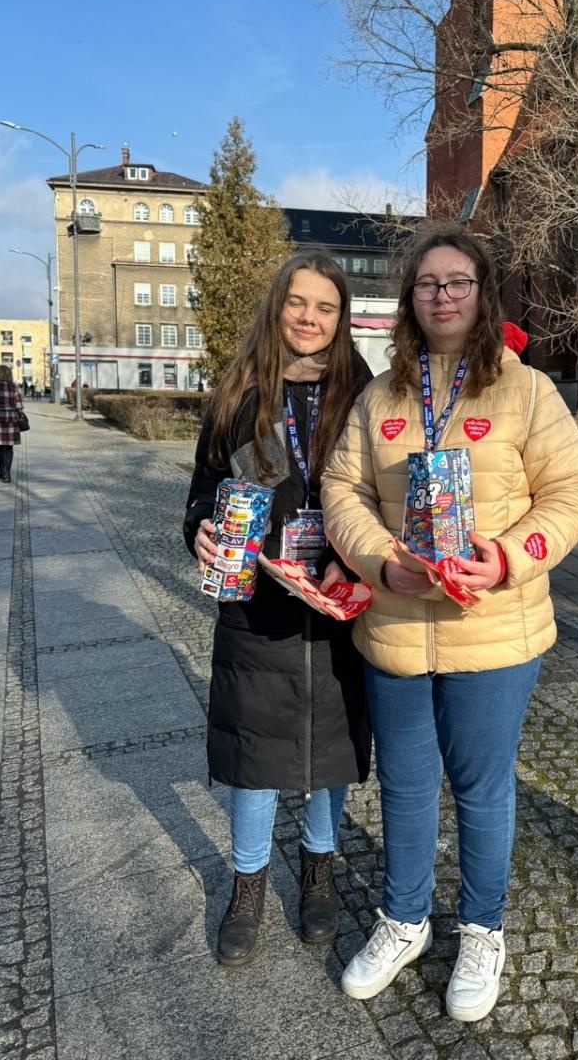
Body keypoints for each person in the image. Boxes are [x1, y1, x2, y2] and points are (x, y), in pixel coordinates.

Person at [321, 223, 578, 1022]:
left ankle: (482, 928)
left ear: (483, 295)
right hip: (398, 626)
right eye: (427, 284)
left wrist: (509, 557)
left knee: (481, 789)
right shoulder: (381, 396)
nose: (441, 296)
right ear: (409, 299)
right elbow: (343, 493)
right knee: (407, 786)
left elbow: (574, 494)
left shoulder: (526, 389)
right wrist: (380, 561)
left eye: (458, 282)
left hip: (496, 630)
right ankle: (404, 920)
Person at [183, 247, 373, 969]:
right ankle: (248, 884)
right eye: (299, 303)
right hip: (256, 605)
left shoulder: (364, 393)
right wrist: (198, 527)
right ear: (278, 305)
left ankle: (319, 872)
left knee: (333, 750)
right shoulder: (238, 393)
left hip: (339, 602)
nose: (311, 318)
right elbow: (203, 488)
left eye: (326, 307)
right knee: (255, 756)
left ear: (342, 317)